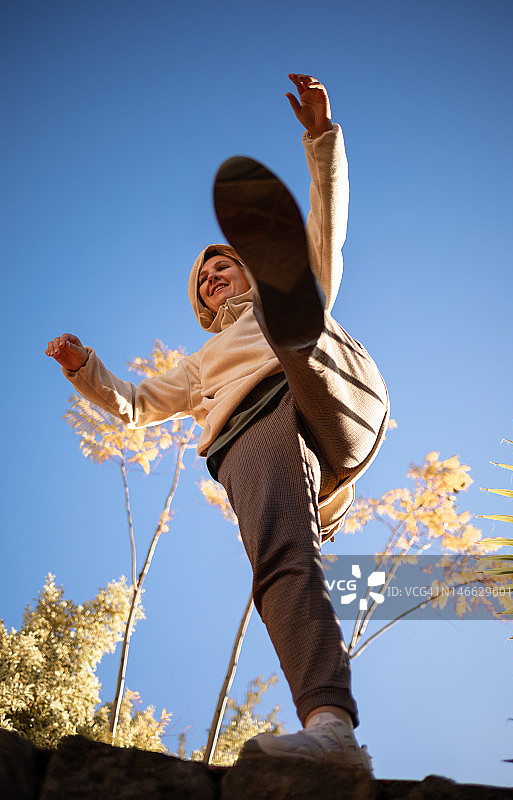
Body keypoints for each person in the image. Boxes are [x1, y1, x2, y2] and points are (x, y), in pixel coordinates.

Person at [46, 74, 389, 771]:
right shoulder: (199, 363)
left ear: (245, 270)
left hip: (335, 397)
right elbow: (137, 406)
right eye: (203, 278)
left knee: (303, 304)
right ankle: (330, 726)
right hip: (251, 432)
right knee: (280, 563)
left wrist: (321, 140)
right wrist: (86, 370)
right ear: (200, 305)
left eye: (224, 265)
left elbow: (328, 220)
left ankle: (296, 328)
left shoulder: (284, 282)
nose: (213, 277)